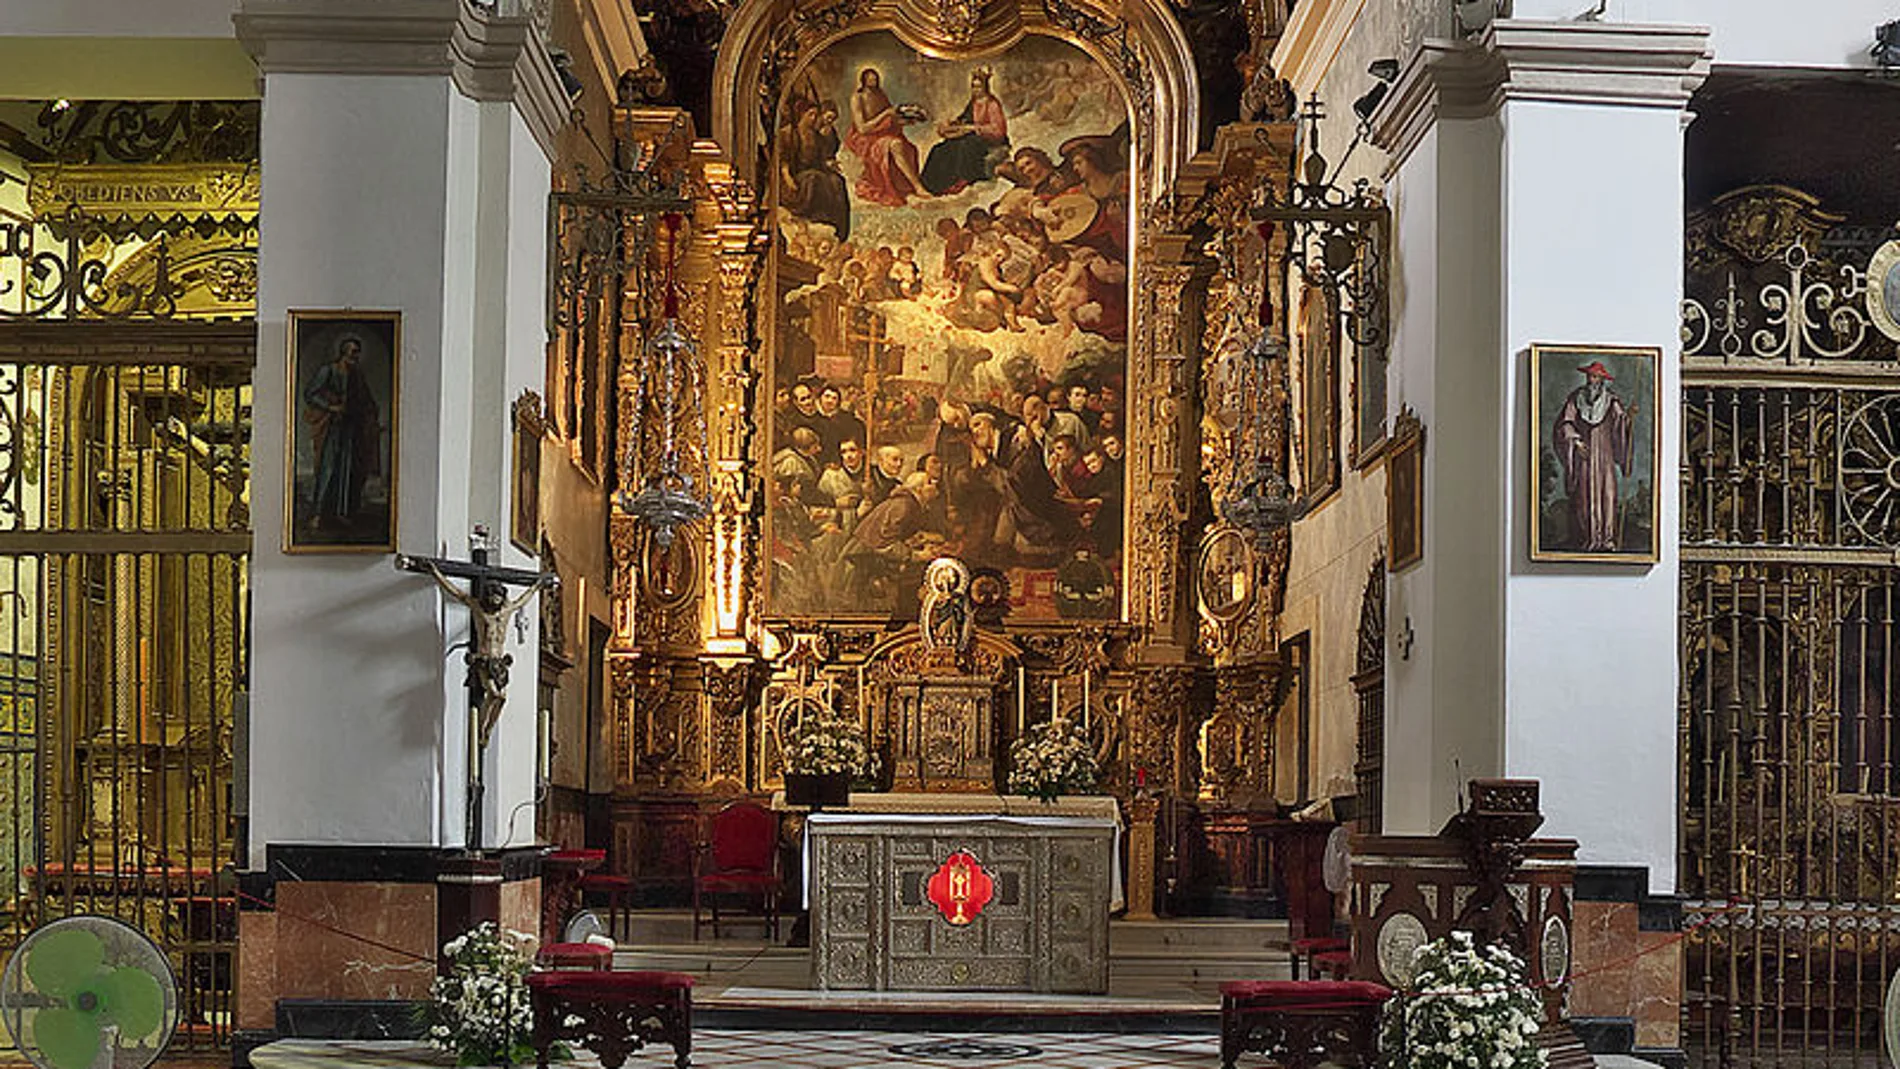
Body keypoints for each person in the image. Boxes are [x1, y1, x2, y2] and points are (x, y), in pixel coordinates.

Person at [1553, 360, 1636, 552]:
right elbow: (1566, 423)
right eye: (1590, 376)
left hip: (1605, 456)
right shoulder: (1576, 398)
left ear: (1602, 380)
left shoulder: (1611, 400)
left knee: (1607, 494)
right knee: (1585, 496)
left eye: (1596, 376)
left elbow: (1620, 422)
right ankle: (1590, 538)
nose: (1592, 380)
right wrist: (1575, 441)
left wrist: (1628, 417)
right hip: (1586, 455)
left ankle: (1607, 539)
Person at [303, 335, 382, 531]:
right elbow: (310, 393)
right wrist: (330, 406)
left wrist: (371, 418)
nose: (356, 355)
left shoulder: (357, 374)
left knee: (347, 470)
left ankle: (341, 512)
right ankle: (318, 513)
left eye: (357, 352)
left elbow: (366, 400)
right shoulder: (328, 370)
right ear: (344, 351)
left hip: (351, 428)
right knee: (327, 468)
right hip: (333, 426)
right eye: (353, 351)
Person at [844, 68, 926, 206]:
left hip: (882, 134)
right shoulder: (857, 98)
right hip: (865, 139)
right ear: (863, 80)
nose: (873, 81)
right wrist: (886, 113)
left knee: (910, 148)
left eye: (875, 79)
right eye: (870, 79)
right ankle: (918, 187)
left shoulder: (880, 95)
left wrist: (908, 121)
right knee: (895, 145)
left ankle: (904, 187)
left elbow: (890, 120)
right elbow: (862, 128)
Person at [921, 68, 1010, 195]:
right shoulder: (973, 102)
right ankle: (931, 185)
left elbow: (998, 130)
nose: (976, 90)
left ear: (985, 87)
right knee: (940, 148)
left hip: (989, 140)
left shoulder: (992, 104)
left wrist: (974, 128)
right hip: (971, 136)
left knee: (965, 146)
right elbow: (964, 119)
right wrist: (952, 124)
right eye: (974, 87)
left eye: (979, 87)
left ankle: (963, 179)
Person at [781, 98, 851, 239]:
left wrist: (829, 164)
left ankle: (837, 227)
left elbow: (822, 157)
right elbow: (782, 161)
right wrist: (788, 177)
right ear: (801, 115)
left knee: (837, 182)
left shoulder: (816, 136)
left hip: (814, 172)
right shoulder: (788, 134)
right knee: (814, 179)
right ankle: (810, 216)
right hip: (794, 177)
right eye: (810, 114)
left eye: (815, 115)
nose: (814, 119)